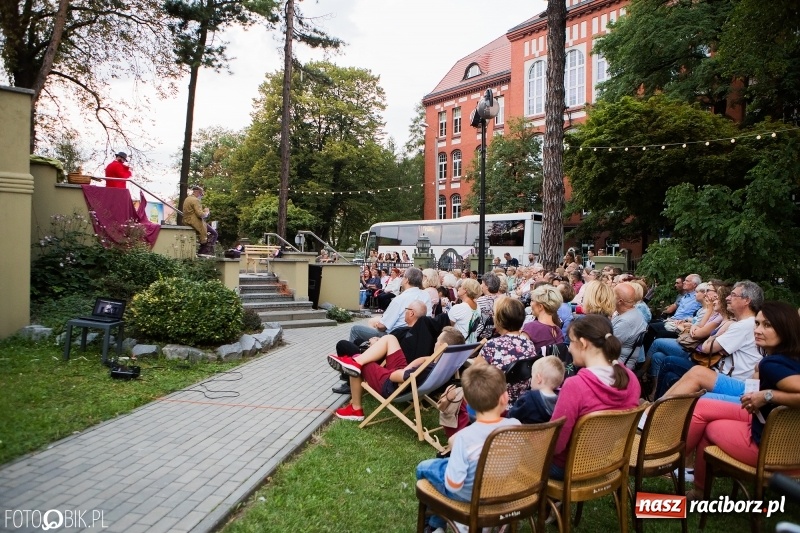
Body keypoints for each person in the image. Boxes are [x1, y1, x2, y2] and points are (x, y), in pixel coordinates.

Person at [685, 301, 800, 501]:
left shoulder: (773, 364)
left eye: (767, 325)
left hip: (767, 452)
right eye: (757, 324)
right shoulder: (790, 360)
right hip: (791, 452)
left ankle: (675, 465)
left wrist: (768, 395)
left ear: (785, 328)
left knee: (706, 421)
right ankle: (695, 481)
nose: (758, 330)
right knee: (703, 406)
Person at [415, 364, 519, 532]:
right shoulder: (516, 426)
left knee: (425, 468)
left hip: (470, 495)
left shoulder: (465, 437)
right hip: (502, 488)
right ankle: (437, 525)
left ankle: (435, 526)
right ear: (505, 398)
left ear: (468, 402)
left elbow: (454, 485)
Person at [549, 315, 641, 480]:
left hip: (569, 468)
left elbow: (556, 445)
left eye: (571, 342)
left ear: (583, 343)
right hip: (607, 460)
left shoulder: (575, 386)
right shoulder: (630, 378)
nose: (569, 349)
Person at [654, 280, 763, 400]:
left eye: (733, 295)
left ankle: (654, 411)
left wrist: (713, 337)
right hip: (717, 370)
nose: (727, 298)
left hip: (729, 379)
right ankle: (658, 410)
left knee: (668, 360)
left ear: (746, 300)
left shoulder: (743, 326)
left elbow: (707, 348)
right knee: (669, 373)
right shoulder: (741, 323)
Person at [330, 326, 466, 421]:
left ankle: (356, 409)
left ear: (441, 347)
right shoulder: (444, 364)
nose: (435, 343)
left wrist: (399, 372)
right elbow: (414, 368)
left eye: (437, 341)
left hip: (391, 384)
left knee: (359, 365)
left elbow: (397, 377)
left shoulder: (427, 369)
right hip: (404, 378)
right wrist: (415, 365)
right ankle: (355, 361)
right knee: (390, 339)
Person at [473, 297, 537, 403]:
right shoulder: (528, 344)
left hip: (493, 402)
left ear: (499, 320)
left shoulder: (492, 345)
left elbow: (473, 375)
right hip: (521, 402)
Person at [348, 267, 433, 345]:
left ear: (407, 280)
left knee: (355, 329)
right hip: (418, 335)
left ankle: (351, 358)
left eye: (403, 277)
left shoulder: (400, 299)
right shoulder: (426, 295)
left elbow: (383, 326)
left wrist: (377, 324)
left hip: (394, 337)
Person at [507, 356, 565, 424]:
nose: (530, 380)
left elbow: (511, 417)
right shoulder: (559, 402)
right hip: (545, 434)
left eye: (532, 376)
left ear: (538, 378)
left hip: (523, 433)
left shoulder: (528, 398)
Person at [612, 282, 648, 369]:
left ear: (620, 301)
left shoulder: (626, 322)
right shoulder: (633, 312)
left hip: (617, 364)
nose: (609, 297)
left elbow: (609, 347)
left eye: (612, 294)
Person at [521, 284, 565, 352]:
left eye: (532, 300)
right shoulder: (558, 331)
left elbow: (521, 353)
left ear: (540, 307)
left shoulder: (531, 328)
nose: (530, 304)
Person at [182, 185, 217, 256]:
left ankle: (202, 250)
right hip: (194, 221)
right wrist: (206, 212)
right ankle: (204, 252)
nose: (201, 196)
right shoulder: (195, 200)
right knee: (214, 233)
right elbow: (200, 214)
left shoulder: (187, 199)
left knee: (204, 235)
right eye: (201, 194)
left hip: (186, 220)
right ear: (197, 192)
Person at [448, 278, 482, 343]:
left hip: (459, 346)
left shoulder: (459, 307)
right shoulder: (477, 306)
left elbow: (448, 327)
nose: (458, 288)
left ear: (465, 290)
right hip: (472, 345)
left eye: (461, 286)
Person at [475, 272, 501, 341]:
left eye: (482, 283)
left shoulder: (480, 301)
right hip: (498, 334)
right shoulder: (503, 300)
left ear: (486, 287)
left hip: (482, 336)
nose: (481, 285)